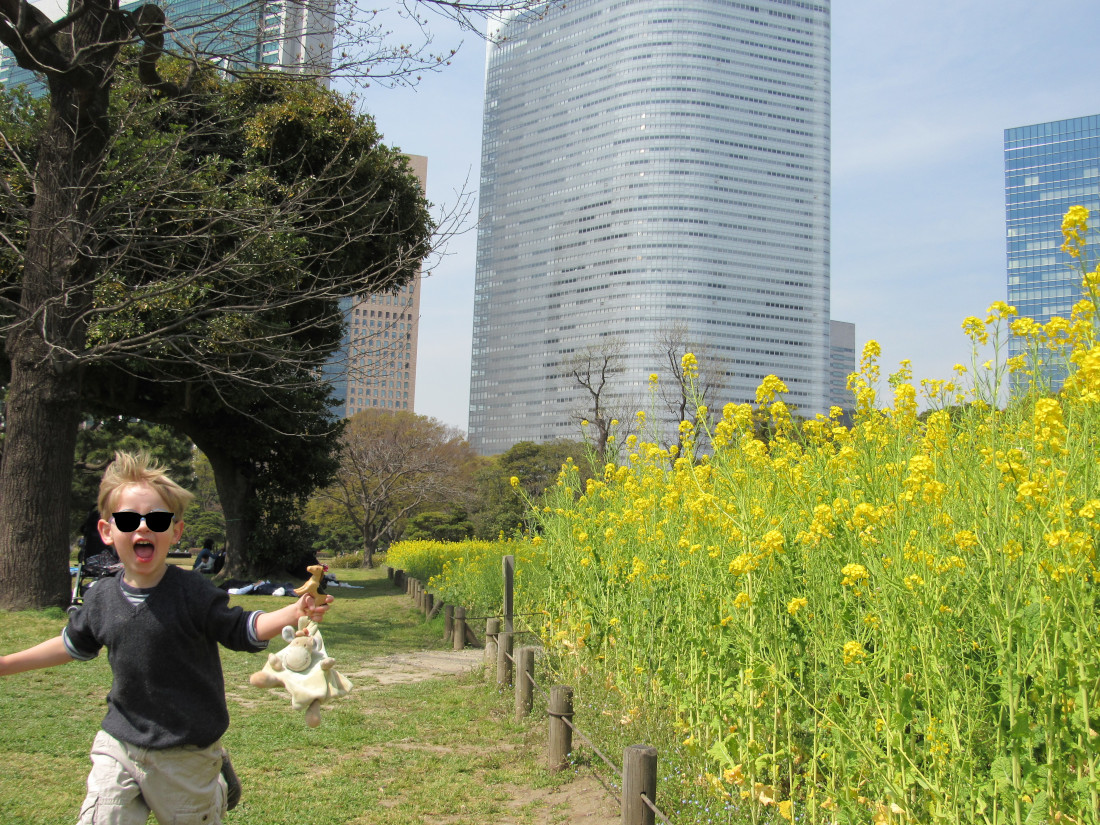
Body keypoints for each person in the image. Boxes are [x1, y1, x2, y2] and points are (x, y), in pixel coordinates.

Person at [0, 452, 332, 824]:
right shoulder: (100, 597)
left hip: (186, 752)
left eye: (156, 519)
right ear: (107, 532)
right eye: (128, 519)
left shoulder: (192, 590)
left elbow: (240, 628)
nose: (143, 528)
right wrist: (5, 665)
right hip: (121, 743)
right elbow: (71, 644)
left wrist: (294, 611)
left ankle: (215, 776)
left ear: (175, 531)